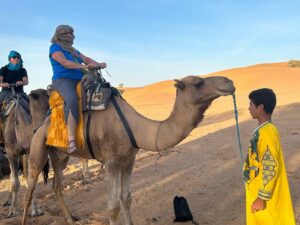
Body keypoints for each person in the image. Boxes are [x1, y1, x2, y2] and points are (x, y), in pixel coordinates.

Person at [49, 24, 106, 153]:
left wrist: (98, 64)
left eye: (71, 32)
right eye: (65, 33)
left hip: (79, 78)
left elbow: (85, 59)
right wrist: (85, 67)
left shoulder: (73, 50)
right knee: (73, 99)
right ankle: (71, 139)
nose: (69, 35)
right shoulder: (55, 47)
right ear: (58, 35)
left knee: (102, 88)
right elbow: (65, 63)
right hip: (63, 80)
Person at [244, 88, 295, 225]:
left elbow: (270, 165)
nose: (249, 108)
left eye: (251, 105)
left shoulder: (267, 132)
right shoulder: (263, 130)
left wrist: (262, 197)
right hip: (255, 186)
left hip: (263, 193)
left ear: (261, 107)